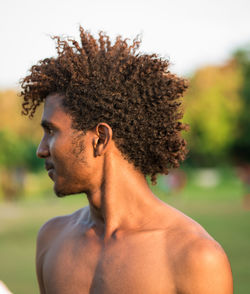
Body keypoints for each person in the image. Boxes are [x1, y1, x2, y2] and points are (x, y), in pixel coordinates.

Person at [20, 27, 233, 294]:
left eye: (51, 131)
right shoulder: (52, 239)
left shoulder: (194, 257)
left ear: (100, 138)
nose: (41, 149)